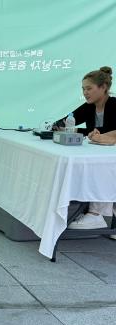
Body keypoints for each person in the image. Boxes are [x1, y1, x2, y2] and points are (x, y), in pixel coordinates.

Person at [55, 66, 116, 232]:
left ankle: (96, 214)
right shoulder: (89, 106)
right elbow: (65, 122)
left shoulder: (114, 104)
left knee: (101, 167)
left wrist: (100, 135)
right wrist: (59, 127)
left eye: (89, 88)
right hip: (102, 155)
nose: (85, 92)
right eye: (83, 89)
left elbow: (106, 133)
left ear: (103, 88)